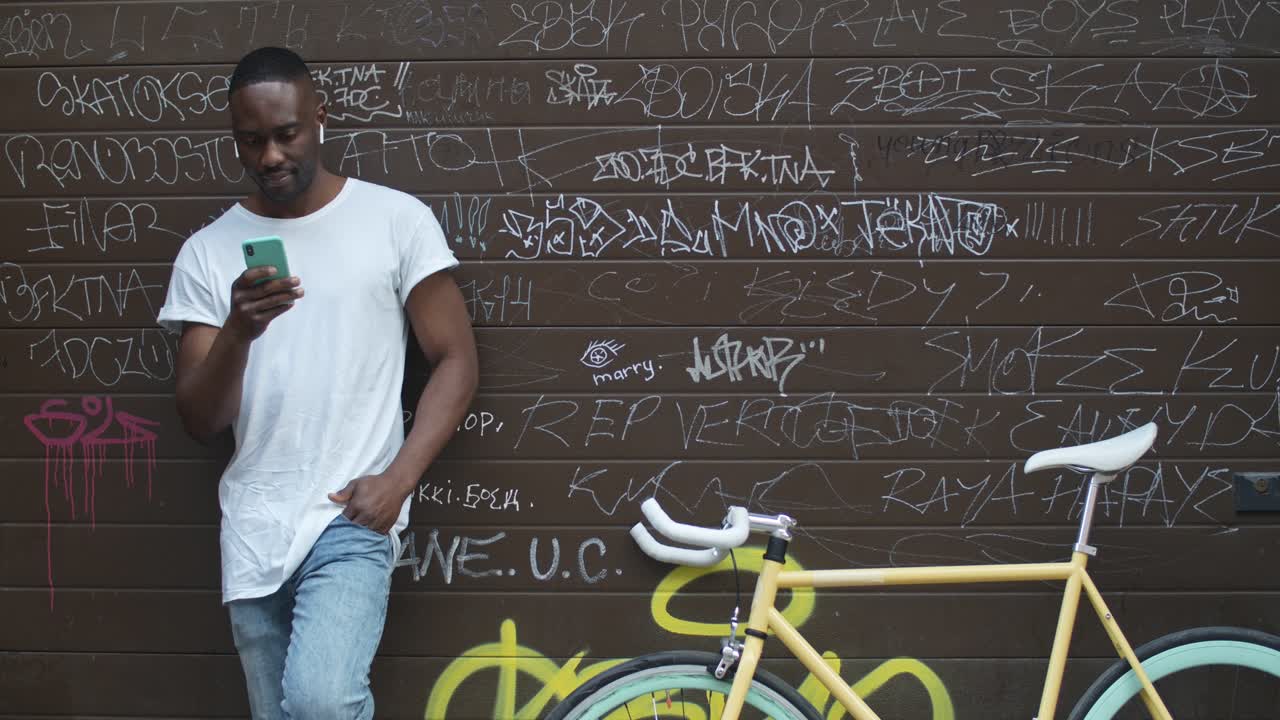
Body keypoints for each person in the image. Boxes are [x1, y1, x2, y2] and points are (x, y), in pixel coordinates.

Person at [156, 46, 478, 719]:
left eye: (287, 133)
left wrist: (397, 481)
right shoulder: (208, 253)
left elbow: (456, 359)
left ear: (320, 118)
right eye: (251, 141)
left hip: (350, 515)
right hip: (255, 529)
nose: (271, 155)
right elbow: (200, 419)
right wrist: (239, 330)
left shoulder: (394, 220)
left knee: (321, 702)